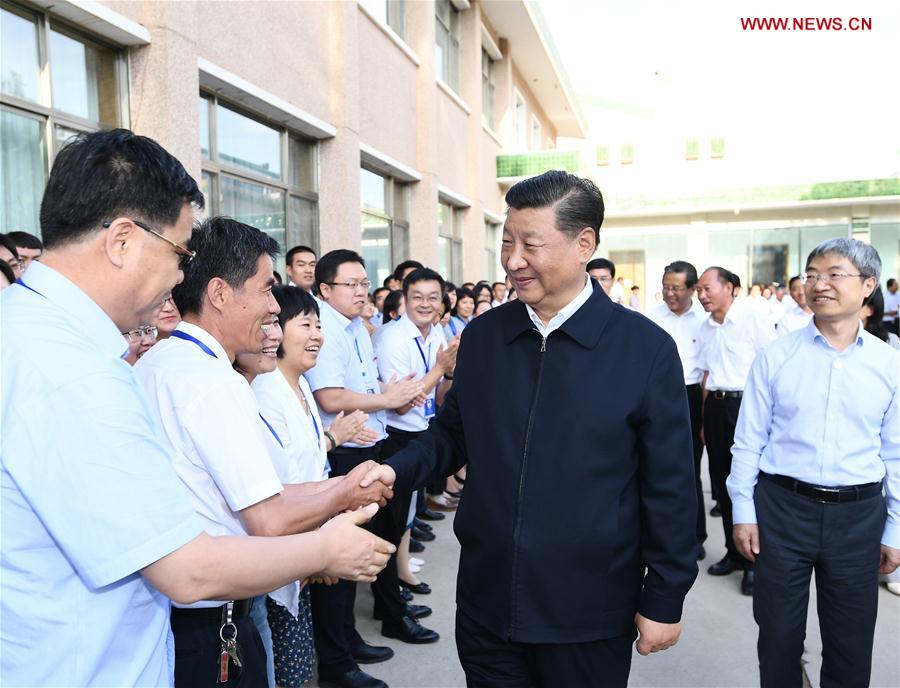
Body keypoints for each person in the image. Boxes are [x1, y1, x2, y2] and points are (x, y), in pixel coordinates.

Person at [1, 128, 392, 688]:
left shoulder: (33, 334)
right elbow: (187, 570)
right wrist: (326, 548)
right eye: (179, 252)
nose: (179, 275)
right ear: (122, 242)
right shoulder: (70, 371)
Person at [365, 171, 698, 687]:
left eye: (530, 244)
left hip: (588, 612)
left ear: (583, 243)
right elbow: (453, 435)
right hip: (488, 603)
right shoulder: (484, 338)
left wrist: (666, 597)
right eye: (506, 242)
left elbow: (671, 487)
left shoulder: (644, 351)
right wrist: (391, 472)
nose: (513, 259)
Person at [135, 219, 396, 687]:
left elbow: (257, 496)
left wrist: (343, 485)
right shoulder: (214, 382)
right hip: (209, 621)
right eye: (265, 290)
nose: (274, 305)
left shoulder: (166, 361)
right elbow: (268, 520)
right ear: (219, 293)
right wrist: (340, 508)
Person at [728, 238, 899, 688]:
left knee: (851, 639)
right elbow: (748, 442)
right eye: (811, 274)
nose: (818, 284)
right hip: (783, 510)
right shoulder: (776, 357)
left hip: (859, 516)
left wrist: (895, 529)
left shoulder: (889, 365)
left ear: (868, 286)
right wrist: (744, 513)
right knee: (779, 635)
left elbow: (896, 454)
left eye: (834, 274)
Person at [306, 249, 424, 688]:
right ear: (325, 289)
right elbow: (331, 397)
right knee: (337, 563)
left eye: (363, 283)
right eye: (350, 285)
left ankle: (347, 641)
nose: (361, 291)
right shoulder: (325, 328)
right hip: (340, 453)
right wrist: (386, 401)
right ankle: (336, 665)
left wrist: (385, 393)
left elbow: (361, 384)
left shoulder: (354, 325)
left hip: (365, 444)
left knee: (360, 550)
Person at [373, 267, 460, 646]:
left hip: (421, 434)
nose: (426, 304)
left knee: (404, 522)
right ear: (403, 300)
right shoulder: (392, 338)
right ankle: (392, 614)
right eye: (417, 297)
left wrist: (447, 376)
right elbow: (404, 398)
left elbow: (438, 394)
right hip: (395, 438)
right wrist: (441, 369)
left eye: (432, 297)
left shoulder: (436, 332)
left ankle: (390, 601)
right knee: (389, 529)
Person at [695, 266, 776, 596]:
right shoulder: (706, 326)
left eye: (706, 288)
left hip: (746, 408)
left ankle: (754, 562)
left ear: (730, 288)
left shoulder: (752, 317)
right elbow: (706, 375)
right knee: (721, 482)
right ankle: (733, 550)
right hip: (715, 406)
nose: (701, 295)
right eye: (698, 289)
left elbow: (773, 366)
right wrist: (702, 420)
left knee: (747, 483)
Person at [646, 261, 708, 560]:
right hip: (657, 395)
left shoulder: (705, 321)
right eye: (666, 287)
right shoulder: (651, 318)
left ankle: (695, 536)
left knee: (689, 468)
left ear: (692, 289)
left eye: (676, 288)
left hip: (692, 395)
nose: (670, 294)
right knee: (656, 466)